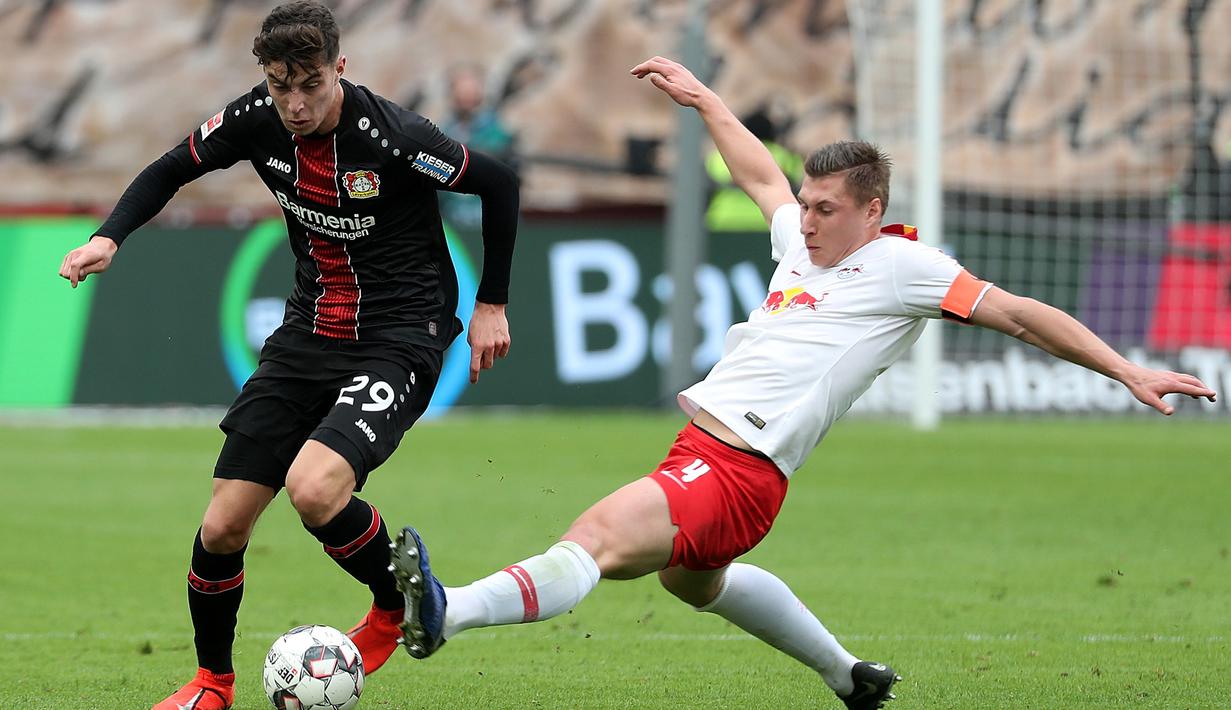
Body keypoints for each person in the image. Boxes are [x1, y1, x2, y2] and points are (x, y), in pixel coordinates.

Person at [386, 56, 1218, 710]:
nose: (807, 219)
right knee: (692, 583)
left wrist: (1125, 369)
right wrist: (707, 101)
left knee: (596, 537)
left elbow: (1023, 315)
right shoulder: (803, 243)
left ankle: (446, 612)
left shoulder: (903, 267)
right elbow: (758, 179)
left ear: (871, 208)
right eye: (808, 204)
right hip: (709, 451)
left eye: (825, 209)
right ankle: (846, 674)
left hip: (741, 467)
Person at [57, 3, 519, 709]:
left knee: (313, 489)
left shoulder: (394, 137)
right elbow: (169, 168)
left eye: (309, 84)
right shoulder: (255, 119)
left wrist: (491, 303)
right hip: (308, 332)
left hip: (402, 332)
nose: (295, 104)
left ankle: (393, 608)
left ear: (339, 68)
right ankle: (213, 684)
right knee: (222, 525)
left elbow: (498, 183)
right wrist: (109, 237)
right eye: (280, 86)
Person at [437, 63, 517, 230]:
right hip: (452, 222)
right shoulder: (441, 132)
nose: (467, 98)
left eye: (471, 91)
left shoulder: (498, 132)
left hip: (490, 220)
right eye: (461, 92)